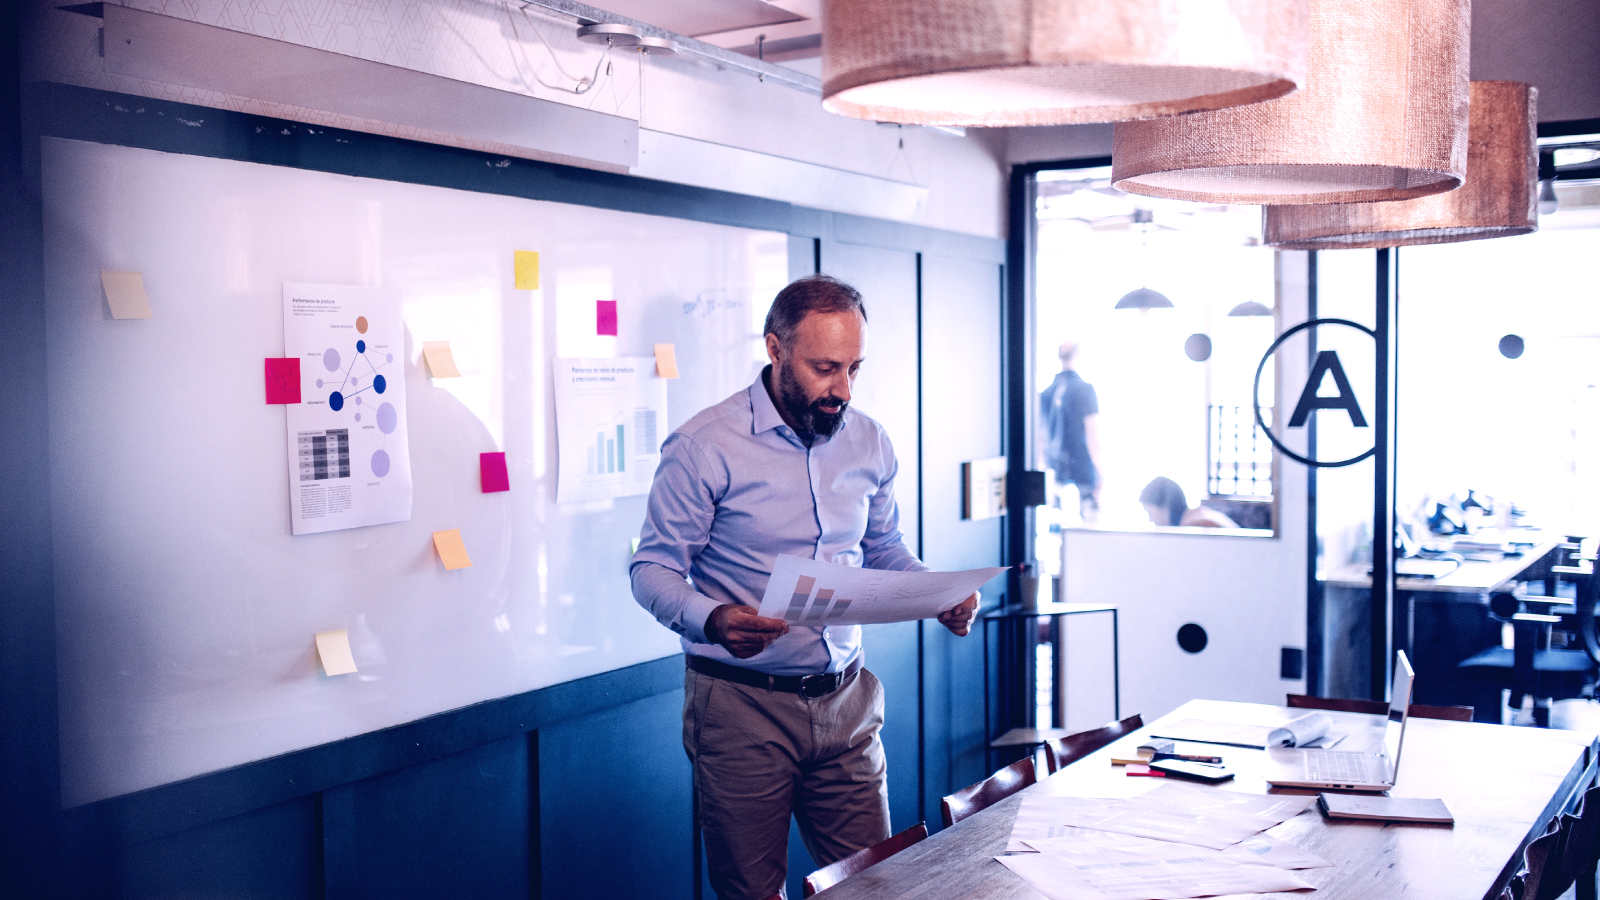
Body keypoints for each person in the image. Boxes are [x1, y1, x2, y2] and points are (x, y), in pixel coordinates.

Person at [630, 274, 980, 900]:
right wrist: (712, 618)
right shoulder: (703, 446)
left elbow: (882, 549)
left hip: (848, 703)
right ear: (775, 349)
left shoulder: (869, 440)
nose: (842, 389)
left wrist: (937, 592)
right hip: (741, 706)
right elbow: (651, 569)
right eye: (825, 368)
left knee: (876, 886)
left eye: (854, 368)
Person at [1039, 341, 1101, 515]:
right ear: (1079, 356)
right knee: (1090, 531)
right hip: (1083, 473)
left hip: (1055, 474)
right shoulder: (1085, 390)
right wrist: (1103, 475)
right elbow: (1093, 436)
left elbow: (1040, 439)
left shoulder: (1046, 393)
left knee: (1057, 531)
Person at [1139, 476, 1239, 528]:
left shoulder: (1194, 525)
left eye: (1150, 513)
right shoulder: (1198, 515)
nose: (1151, 520)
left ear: (1165, 508)